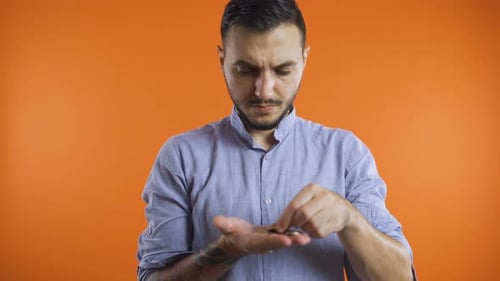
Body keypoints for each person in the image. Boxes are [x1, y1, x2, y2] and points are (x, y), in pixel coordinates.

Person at [137, 0, 416, 280]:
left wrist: (350, 221)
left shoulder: (346, 155)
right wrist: (227, 250)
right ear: (222, 61)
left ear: (304, 60)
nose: (263, 91)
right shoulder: (180, 158)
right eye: (245, 70)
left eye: (282, 70)